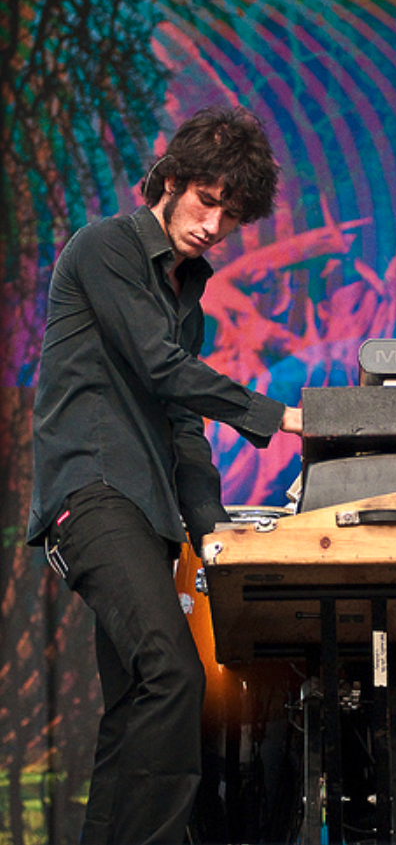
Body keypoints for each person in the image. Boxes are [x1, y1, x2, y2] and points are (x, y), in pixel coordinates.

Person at [27, 105, 303, 844]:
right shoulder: (105, 247)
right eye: (206, 201)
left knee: (134, 707)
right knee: (174, 676)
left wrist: (213, 534)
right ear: (172, 180)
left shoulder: (187, 298)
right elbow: (161, 367)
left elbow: (183, 427)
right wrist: (278, 416)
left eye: (231, 216)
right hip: (93, 494)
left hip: (148, 516)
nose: (214, 225)